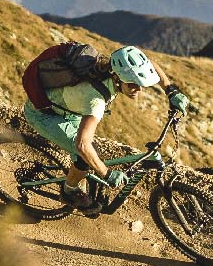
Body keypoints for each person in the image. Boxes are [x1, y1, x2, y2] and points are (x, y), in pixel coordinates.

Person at [20, 41, 189, 216]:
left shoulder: (107, 67)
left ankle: (80, 180)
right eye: (132, 84)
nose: (137, 90)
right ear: (117, 78)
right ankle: (69, 191)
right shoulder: (95, 102)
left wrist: (171, 91)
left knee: (91, 155)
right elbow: (82, 145)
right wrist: (106, 174)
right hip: (45, 115)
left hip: (68, 108)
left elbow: (150, 65)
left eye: (140, 84)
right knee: (86, 155)